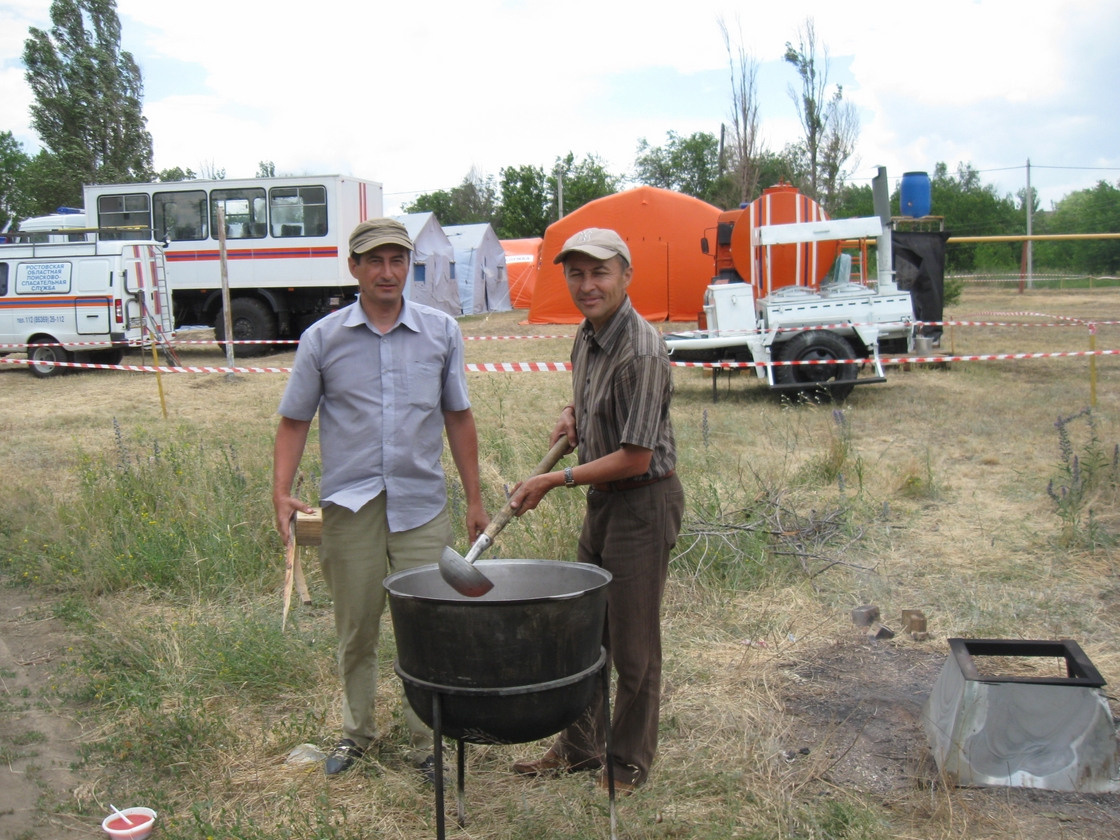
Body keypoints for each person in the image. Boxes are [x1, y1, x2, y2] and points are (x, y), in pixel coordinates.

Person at [272, 218, 488, 777]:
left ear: (408, 265)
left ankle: (427, 744)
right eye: (374, 261)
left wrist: (474, 498)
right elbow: (295, 420)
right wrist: (281, 491)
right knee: (356, 626)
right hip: (351, 507)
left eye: (397, 260)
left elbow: (458, 416)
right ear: (354, 268)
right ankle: (357, 733)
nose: (387, 272)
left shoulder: (442, 332)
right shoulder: (323, 339)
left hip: (421, 507)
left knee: (426, 628)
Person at [507, 227, 684, 794]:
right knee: (588, 636)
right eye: (576, 273)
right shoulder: (589, 335)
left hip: (643, 503)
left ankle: (627, 764)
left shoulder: (643, 349)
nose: (588, 285)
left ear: (626, 276)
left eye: (599, 272)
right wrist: (572, 413)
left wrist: (554, 478)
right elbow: (592, 396)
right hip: (604, 503)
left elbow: (636, 456)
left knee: (633, 647)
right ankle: (580, 747)